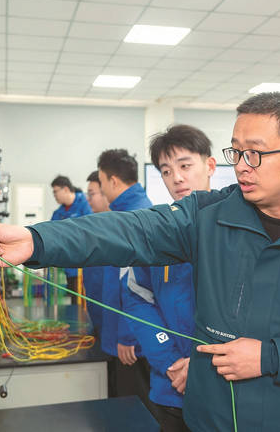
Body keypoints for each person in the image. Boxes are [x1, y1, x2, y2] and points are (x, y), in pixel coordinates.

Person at [0, 93, 280, 431]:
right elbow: (129, 231)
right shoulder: (208, 216)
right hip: (208, 421)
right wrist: (37, 240)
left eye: (255, 154)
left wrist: (271, 357)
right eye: (236, 152)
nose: (242, 167)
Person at [121, 124, 215, 431]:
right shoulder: (156, 231)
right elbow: (137, 298)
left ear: (210, 165)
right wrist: (171, 362)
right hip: (171, 385)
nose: (176, 178)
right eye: (166, 171)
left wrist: (201, 367)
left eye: (185, 166)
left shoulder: (238, 231)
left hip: (224, 387)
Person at [95, 149, 158, 417]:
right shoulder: (126, 212)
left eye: (101, 182)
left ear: (113, 181)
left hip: (132, 343)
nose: (101, 189)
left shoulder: (135, 217)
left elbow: (139, 287)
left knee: (136, 409)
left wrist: (127, 335)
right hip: (122, 335)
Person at [79, 170, 110, 337]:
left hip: (112, 324)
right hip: (97, 317)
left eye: (92, 194)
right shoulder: (94, 225)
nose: (88, 199)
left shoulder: (118, 230)